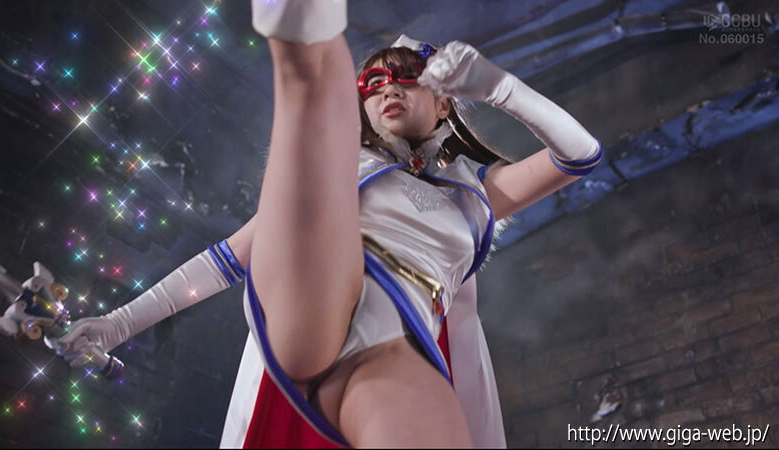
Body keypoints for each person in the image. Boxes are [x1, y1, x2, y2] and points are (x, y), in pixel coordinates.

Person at [56, 0, 602, 447]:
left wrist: (499, 87)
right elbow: (227, 259)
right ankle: (303, 51)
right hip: (314, 288)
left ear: (443, 106)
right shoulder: (344, 169)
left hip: (390, 343)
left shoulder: (476, 195)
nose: (388, 88)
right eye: (375, 83)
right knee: (320, 93)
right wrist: (118, 324)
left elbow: (580, 154)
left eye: (408, 80)